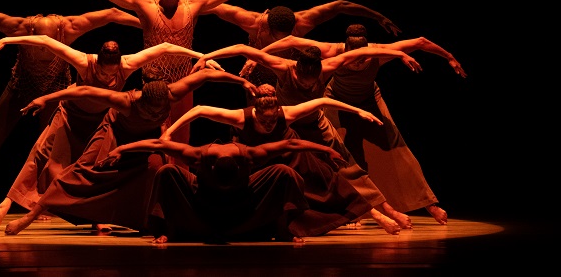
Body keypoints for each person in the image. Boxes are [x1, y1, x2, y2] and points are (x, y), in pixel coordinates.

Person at [31, 0, 304, 159]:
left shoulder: (194, 5)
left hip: (184, 81)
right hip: (153, 86)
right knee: (154, 138)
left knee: (181, 138)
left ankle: (177, 189)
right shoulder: (145, 6)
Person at [0, 36, 222, 230]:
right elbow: (45, 41)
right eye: (103, 73)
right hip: (72, 115)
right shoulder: (85, 62)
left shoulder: (128, 65)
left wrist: (204, 56)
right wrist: (8, 40)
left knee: (102, 168)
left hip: (102, 119)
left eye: (112, 75)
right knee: (42, 154)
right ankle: (7, 204)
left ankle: (100, 217)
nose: (107, 78)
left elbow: (166, 47)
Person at [0, 6, 141, 219]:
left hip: (55, 88)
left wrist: (149, 25)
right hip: (21, 85)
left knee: (49, 148)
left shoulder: (71, 27)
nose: (45, 46)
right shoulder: (19, 27)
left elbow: (112, 13)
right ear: (31, 33)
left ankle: (41, 202)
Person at [190, 40, 424, 230]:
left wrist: (399, 54)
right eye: (302, 81)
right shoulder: (283, 68)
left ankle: (385, 210)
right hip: (285, 126)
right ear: (297, 70)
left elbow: (363, 52)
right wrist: (205, 56)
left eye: (311, 83)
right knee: (307, 174)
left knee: (346, 165)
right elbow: (242, 48)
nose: (306, 86)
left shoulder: (328, 66)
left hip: (315, 122)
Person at [2, 68, 258, 236]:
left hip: (147, 139)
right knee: (83, 171)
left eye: (160, 111)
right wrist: (45, 99)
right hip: (115, 132)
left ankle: (153, 222)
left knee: (158, 170)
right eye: (150, 111)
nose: (155, 114)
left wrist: (242, 81)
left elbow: (206, 75)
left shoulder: (173, 93)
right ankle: (30, 216)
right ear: (142, 101)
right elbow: (83, 91)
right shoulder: (126, 101)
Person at [161, 91, 404, 235]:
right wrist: (169, 132)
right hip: (259, 160)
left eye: (272, 121)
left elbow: (322, 102)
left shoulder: (286, 114)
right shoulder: (240, 117)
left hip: (290, 153)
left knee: (327, 179)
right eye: (264, 122)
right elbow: (200, 109)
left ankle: (376, 215)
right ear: (255, 113)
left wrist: (358, 111)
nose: (269, 125)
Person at [308, 24, 466, 224]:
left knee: (398, 150)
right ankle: (355, 210)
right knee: (342, 155)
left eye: (363, 59)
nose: (358, 63)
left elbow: (420, 42)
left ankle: (429, 203)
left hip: (370, 100)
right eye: (354, 59)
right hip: (337, 101)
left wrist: (449, 56)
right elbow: (292, 42)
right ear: (346, 50)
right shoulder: (331, 51)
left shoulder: (380, 52)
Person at [95, 137, 347, 244]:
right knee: (167, 171)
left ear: (240, 166)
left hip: (244, 201)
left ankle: (283, 229)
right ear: (210, 166)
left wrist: (327, 150)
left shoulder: (250, 155)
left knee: (283, 171)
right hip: (202, 202)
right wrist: (120, 149)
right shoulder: (197, 155)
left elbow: (290, 143)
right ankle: (165, 231)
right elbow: (158, 143)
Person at [202, 1, 402, 104]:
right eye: (279, 37)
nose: (285, 41)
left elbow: (341, 6)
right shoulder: (254, 23)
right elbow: (215, 7)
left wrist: (378, 16)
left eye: (289, 35)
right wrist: (189, 10)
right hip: (260, 76)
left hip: (294, 75)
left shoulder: (303, 21)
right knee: (262, 115)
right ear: (269, 28)